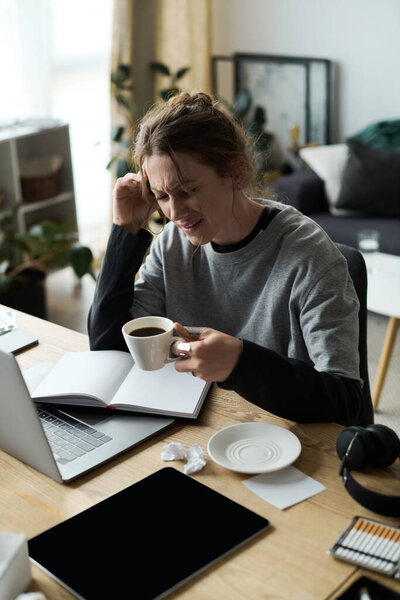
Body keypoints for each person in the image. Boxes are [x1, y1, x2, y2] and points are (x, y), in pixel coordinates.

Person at [88, 92, 372, 426]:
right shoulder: (172, 244)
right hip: (205, 432)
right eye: (162, 196)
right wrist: (125, 230)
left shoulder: (310, 256)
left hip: (287, 443)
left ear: (235, 171)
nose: (175, 213)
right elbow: (109, 345)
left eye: (187, 190)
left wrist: (241, 362)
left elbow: (347, 403)